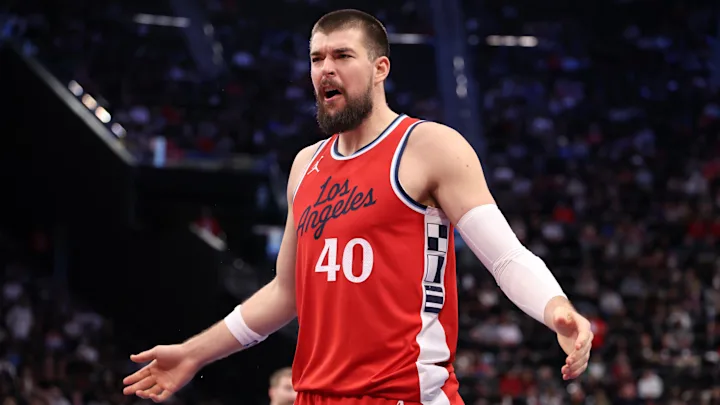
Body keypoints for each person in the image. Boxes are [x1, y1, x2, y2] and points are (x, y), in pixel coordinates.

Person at [122, 9, 594, 405]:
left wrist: (556, 308)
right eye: (317, 58)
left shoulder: (428, 146)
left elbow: (506, 256)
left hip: (402, 395)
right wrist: (194, 353)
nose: (325, 69)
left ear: (380, 68)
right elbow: (286, 293)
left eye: (342, 56)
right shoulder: (306, 165)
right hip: (315, 395)